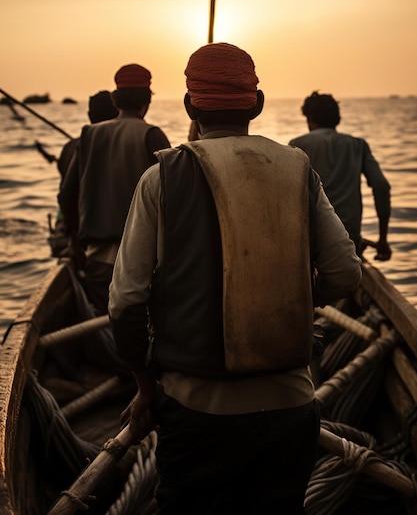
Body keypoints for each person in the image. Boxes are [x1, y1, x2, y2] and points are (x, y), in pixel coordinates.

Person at [108, 43, 362, 514]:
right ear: (258, 105)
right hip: (291, 407)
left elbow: (125, 302)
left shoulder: (160, 177)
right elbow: (346, 273)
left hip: (197, 411)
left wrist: (144, 386)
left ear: (189, 107)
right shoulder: (298, 168)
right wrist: (301, 298)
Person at [58, 63, 171, 315]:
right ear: (147, 100)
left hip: (96, 260)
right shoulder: (152, 135)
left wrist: (74, 243)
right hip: (142, 263)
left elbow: (66, 194)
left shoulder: (89, 134)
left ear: (115, 99)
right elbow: (172, 201)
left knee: (104, 322)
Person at [289, 91, 392, 260]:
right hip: (349, 239)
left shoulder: (298, 146)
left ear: (309, 119)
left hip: (312, 242)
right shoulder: (358, 145)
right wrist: (383, 239)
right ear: (337, 119)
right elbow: (381, 186)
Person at [49, 91, 119, 258]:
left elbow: (66, 195)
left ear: (89, 115)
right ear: (117, 113)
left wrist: (72, 238)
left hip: (74, 231)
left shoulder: (69, 147)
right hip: (101, 235)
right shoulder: (116, 148)